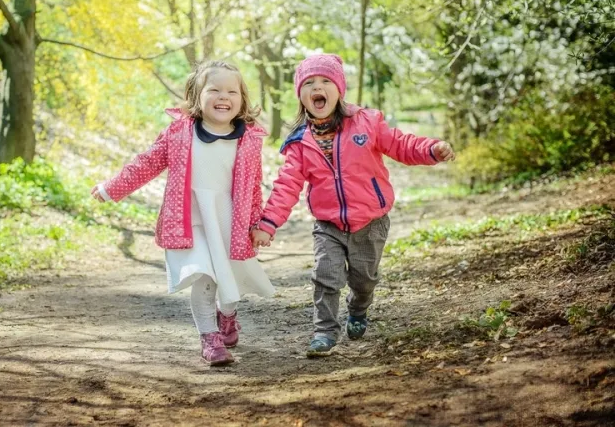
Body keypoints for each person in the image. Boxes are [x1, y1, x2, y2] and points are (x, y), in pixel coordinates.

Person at [251, 54, 454, 357]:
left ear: (339, 89)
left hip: (370, 222)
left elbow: (400, 144)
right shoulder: (299, 142)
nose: (317, 87)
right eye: (309, 83)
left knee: (364, 279)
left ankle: (358, 309)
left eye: (325, 81)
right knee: (326, 275)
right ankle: (324, 332)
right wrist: (268, 223)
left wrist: (431, 150)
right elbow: (287, 186)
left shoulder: (367, 122)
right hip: (328, 225)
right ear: (301, 96)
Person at [92, 60, 274, 366]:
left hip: (230, 222)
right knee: (204, 277)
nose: (223, 96)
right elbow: (147, 163)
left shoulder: (248, 140)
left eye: (232, 91)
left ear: (241, 99)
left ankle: (227, 317)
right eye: (214, 90)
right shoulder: (179, 133)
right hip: (191, 221)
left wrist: (259, 224)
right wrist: (113, 187)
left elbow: (253, 186)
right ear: (196, 96)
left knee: (228, 287)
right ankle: (210, 339)